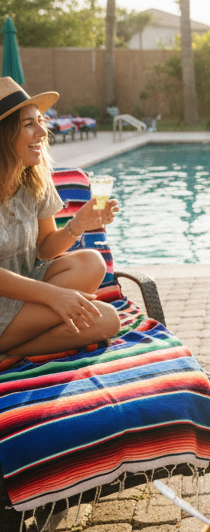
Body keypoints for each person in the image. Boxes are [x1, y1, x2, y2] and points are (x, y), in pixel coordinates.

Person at [0, 79, 121, 360]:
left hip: (26, 296)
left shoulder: (33, 181)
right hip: (21, 297)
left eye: (41, 121)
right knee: (94, 315)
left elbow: (43, 249)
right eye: (29, 123)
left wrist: (78, 224)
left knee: (106, 313)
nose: (43, 131)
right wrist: (54, 296)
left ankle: (11, 351)